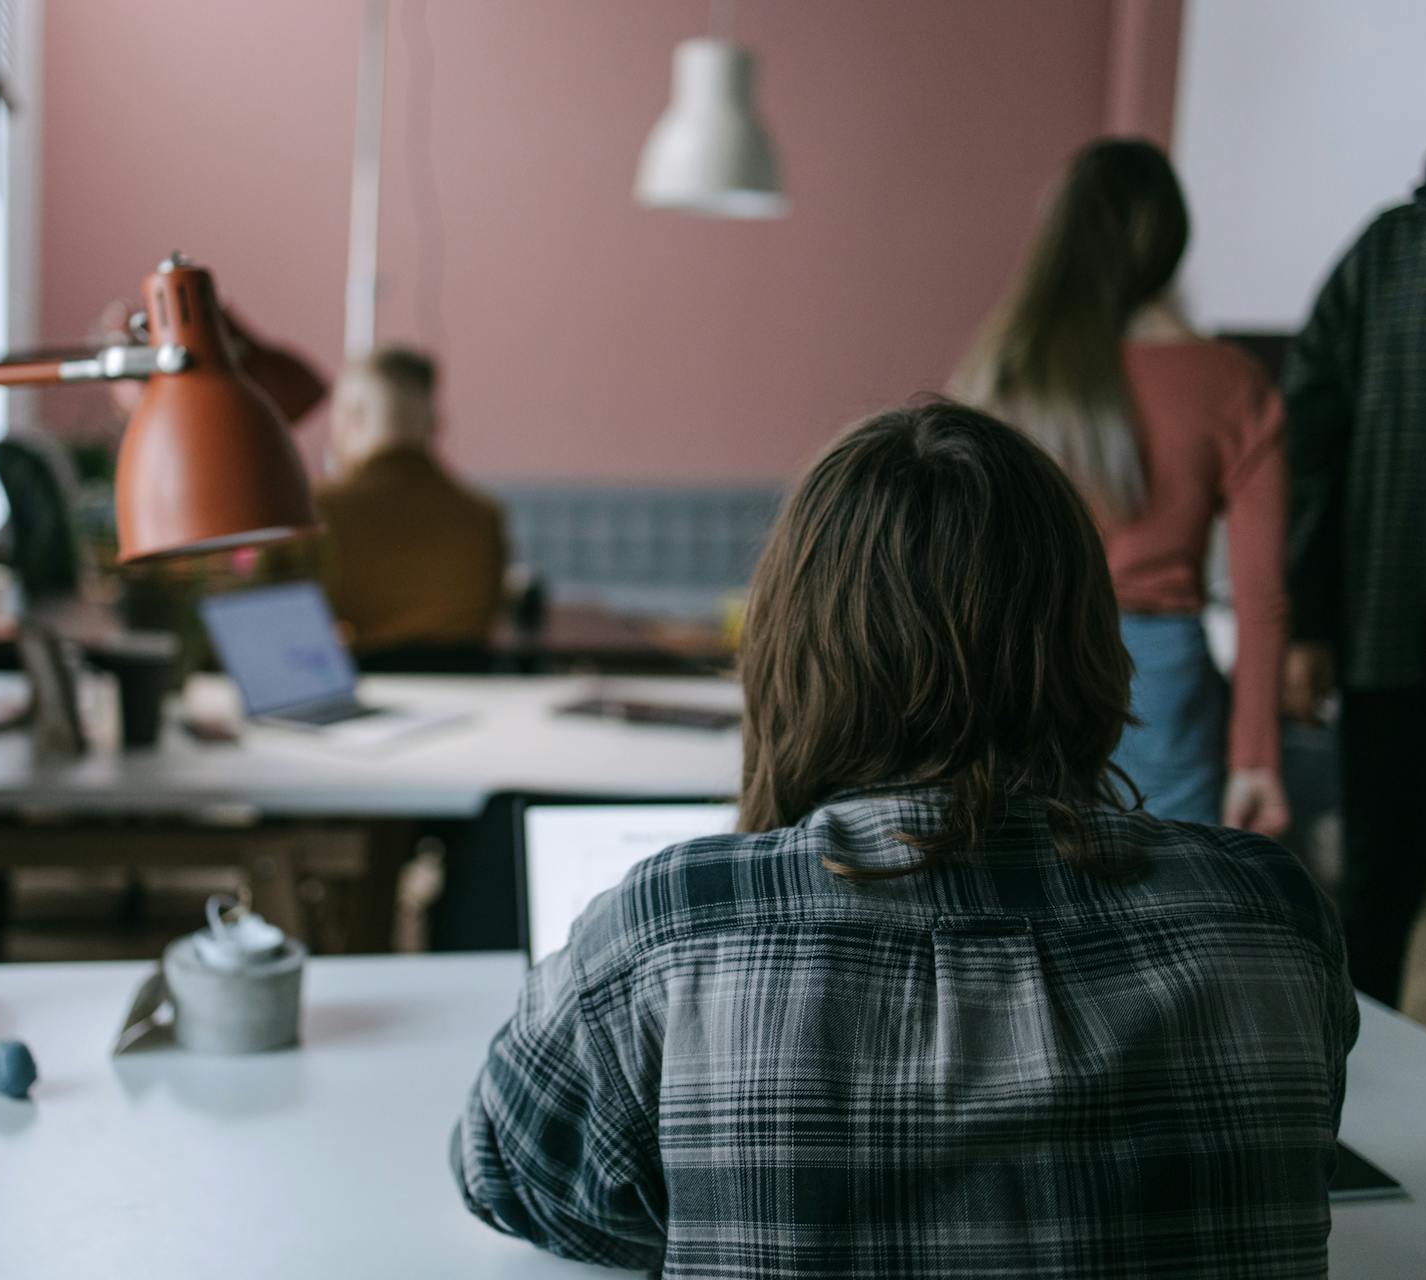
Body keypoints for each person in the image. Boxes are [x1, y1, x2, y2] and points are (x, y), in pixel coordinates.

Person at [452, 403, 1357, 1277]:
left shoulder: (674, 933)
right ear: (1089, 639)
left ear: (790, 653)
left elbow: (502, 1172)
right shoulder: (1271, 918)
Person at [1282, 0, 1426, 1068]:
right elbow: (1311, 445)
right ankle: (1356, 1104)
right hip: (1392, 620)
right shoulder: (1391, 248)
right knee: (1375, 887)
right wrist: (1308, 620)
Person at [955, 138, 1289, 835]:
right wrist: (1255, 759)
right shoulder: (1231, 382)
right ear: (1173, 237)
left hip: (1024, 661)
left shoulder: (1005, 374)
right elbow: (1262, 596)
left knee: (1028, 887)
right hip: (1162, 679)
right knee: (1166, 909)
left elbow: (956, 561)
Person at [313, 346, 507, 655]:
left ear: (350, 418)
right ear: (435, 423)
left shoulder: (318, 512)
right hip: (469, 693)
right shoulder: (485, 518)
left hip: (360, 687)